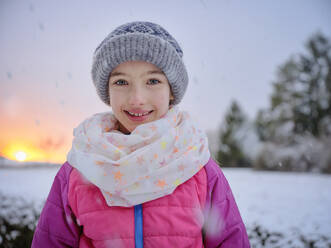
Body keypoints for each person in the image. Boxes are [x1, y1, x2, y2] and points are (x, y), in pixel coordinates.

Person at [32, 21, 250, 248]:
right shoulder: (80, 169)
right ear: (107, 90)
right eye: (121, 82)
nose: (137, 98)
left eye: (153, 81)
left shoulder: (198, 167)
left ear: (171, 92)